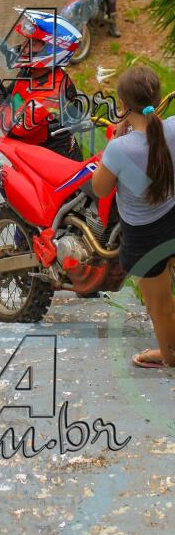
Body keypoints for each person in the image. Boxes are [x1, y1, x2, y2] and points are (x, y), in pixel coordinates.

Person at [92, 66, 175, 369]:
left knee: (160, 308)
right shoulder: (173, 127)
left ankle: (170, 357)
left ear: (123, 105)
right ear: (157, 98)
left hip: (144, 237)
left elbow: (100, 189)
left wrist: (116, 136)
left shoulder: (119, 148)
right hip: (172, 216)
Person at [0, 11, 84, 161]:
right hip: (32, 156)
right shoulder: (31, 73)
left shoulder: (51, 93)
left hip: (54, 163)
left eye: (33, 43)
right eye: (27, 40)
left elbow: (12, 129)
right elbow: (8, 102)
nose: (24, 46)